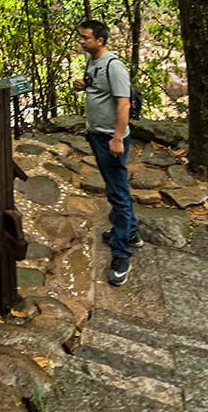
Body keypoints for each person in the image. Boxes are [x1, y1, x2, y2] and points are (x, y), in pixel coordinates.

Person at [72, 19, 141, 287]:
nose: (81, 41)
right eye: (81, 37)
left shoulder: (115, 66)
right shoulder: (93, 61)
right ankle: (131, 232)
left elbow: (123, 103)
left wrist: (117, 138)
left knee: (117, 194)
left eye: (86, 38)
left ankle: (122, 255)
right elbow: (98, 88)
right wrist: (84, 86)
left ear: (100, 40)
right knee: (118, 188)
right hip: (96, 133)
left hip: (108, 138)